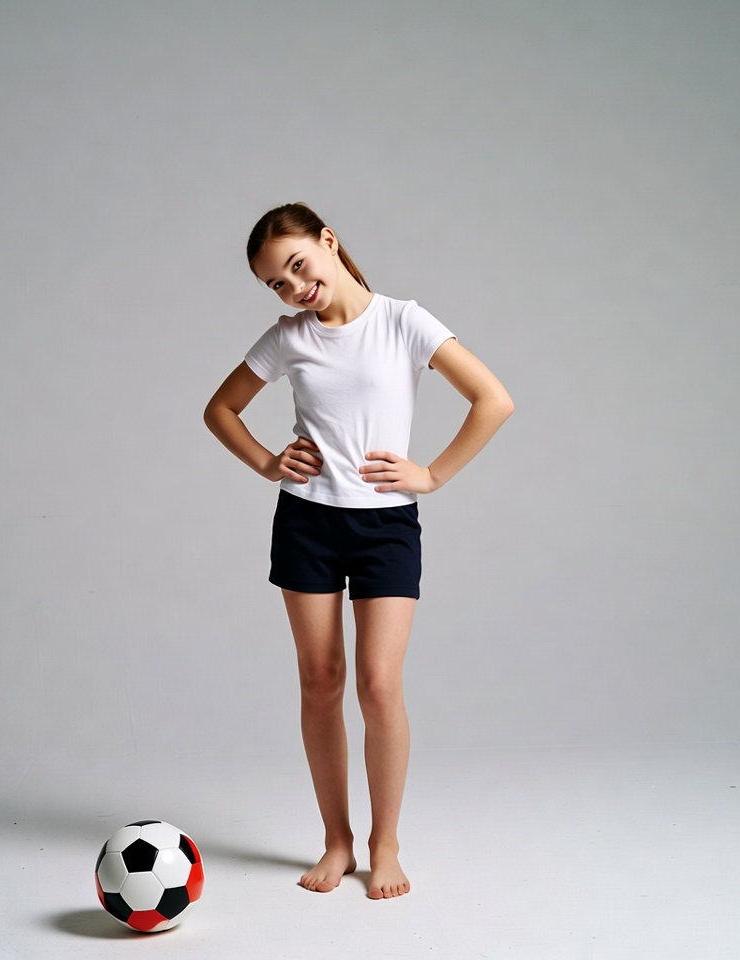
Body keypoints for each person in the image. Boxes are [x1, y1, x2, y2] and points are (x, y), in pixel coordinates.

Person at [203, 203, 513, 900]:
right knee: (320, 683)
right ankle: (337, 840)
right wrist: (264, 462)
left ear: (328, 242)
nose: (293, 288)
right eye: (276, 284)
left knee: (378, 685)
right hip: (307, 524)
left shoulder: (404, 321)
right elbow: (220, 409)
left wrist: (431, 474)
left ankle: (385, 842)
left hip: (385, 528)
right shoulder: (288, 339)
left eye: (297, 266)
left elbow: (493, 399)